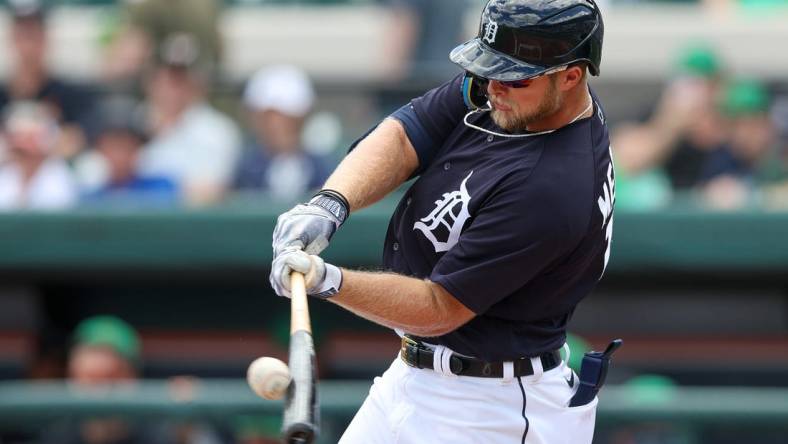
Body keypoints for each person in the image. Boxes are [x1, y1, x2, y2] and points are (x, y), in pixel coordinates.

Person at [269, 1, 614, 443]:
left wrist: (328, 280)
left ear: (571, 76)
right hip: (417, 377)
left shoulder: (553, 187)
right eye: (489, 71)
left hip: (493, 408)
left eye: (514, 77)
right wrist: (330, 203)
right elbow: (409, 130)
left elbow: (439, 308)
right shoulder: (524, 95)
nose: (493, 89)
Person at [137, 33, 241, 206]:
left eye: (181, 79)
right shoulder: (132, 120)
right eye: (166, 77)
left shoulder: (218, 131)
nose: (172, 88)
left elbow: (209, 193)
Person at [0, 0, 96, 160]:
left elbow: (79, 138)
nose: (29, 46)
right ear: (13, 39)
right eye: (23, 35)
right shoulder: (3, 93)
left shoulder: (70, 95)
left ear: (46, 39)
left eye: (34, 35)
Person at [233, 65, 333, 202]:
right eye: (268, 118)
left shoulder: (326, 172)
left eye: (289, 118)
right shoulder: (241, 171)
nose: (278, 126)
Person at [0, 101, 78, 210]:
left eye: (30, 138)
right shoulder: (7, 172)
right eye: (18, 137)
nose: (22, 145)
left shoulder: (57, 172)